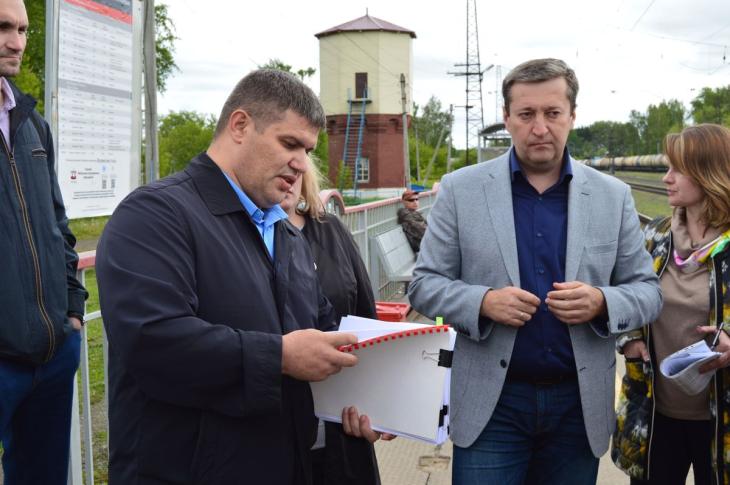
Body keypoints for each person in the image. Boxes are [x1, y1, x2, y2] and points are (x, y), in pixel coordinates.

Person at [96, 70, 383, 485]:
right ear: (240, 125)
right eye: (289, 143)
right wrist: (280, 357)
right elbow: (152, 339)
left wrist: (377, 400)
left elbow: (324, 329)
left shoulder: (285, 233)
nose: (301, 163)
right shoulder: (154, 215)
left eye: (307, 150)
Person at [407, 58, 662, 485]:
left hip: (577, 407)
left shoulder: (613, 196)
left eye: (552, 113)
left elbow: (648, 292)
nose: (540, 127)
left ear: (572, 116)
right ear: (507, 118)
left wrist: (602, 301)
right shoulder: (460, 189)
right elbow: (424, 285)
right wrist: (483, 302)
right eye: (526, 114)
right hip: (493, 405)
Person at [612, 124, 730, 485]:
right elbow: (624, 290)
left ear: (709, 174)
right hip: (654, 414)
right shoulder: (655, 235)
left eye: (677, 169)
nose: (666, 178)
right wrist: (629, 338)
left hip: (721, 423)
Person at [0, 0, 88, 483]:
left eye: (22, 30)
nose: (15, 43)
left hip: (52, 355)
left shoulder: (32, 123)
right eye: (3, 28)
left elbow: (58, 225)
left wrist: (72, 309)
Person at [281, 157, 382, 485]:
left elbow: (366, 317)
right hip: (274, 438)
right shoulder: (239, 238)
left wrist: (381, 406)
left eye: (298, 153)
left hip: (343, 429)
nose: (288, 171)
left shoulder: (330, 230)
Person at [397, 188, 427, 253]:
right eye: (411, 200)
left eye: (417, 199)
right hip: (420, 250)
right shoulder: (407, 218)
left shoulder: (414, 214)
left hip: (424, 248)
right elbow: (426, 233)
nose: (415, 202)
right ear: (403, 201)